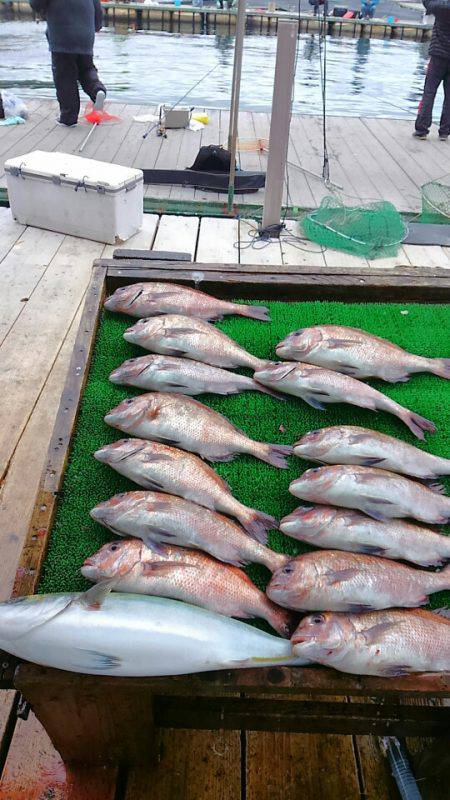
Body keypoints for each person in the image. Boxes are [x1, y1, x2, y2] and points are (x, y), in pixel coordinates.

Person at [29, 0, 106, 127]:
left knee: (64, 76)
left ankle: (68, 117)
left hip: (62, 34)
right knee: (86, 68)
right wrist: (96, 26)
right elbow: (97, 8)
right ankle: (97, 90)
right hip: (86, 34)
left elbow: (36, 3)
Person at [414, 0, 450, 141]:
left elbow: (428, 3)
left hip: (437, 55)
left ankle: (422, 129)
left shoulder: (440, 7)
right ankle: (444, 131)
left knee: (429, 92)